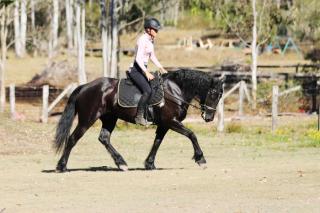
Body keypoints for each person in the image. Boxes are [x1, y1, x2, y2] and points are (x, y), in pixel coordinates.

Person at [129, 17, 167, 125]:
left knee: (156, 86)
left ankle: (150, 113)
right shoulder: (142, 40)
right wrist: (146, 72)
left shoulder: (151, 41)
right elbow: (138, 59)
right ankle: (139, 116)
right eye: (155, 30)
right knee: (148, 91)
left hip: (143, 69)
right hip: (136, 70)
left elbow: (152, 56)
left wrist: (161, 67)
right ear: (149, 30)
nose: (157, 32)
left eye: (157, 30)